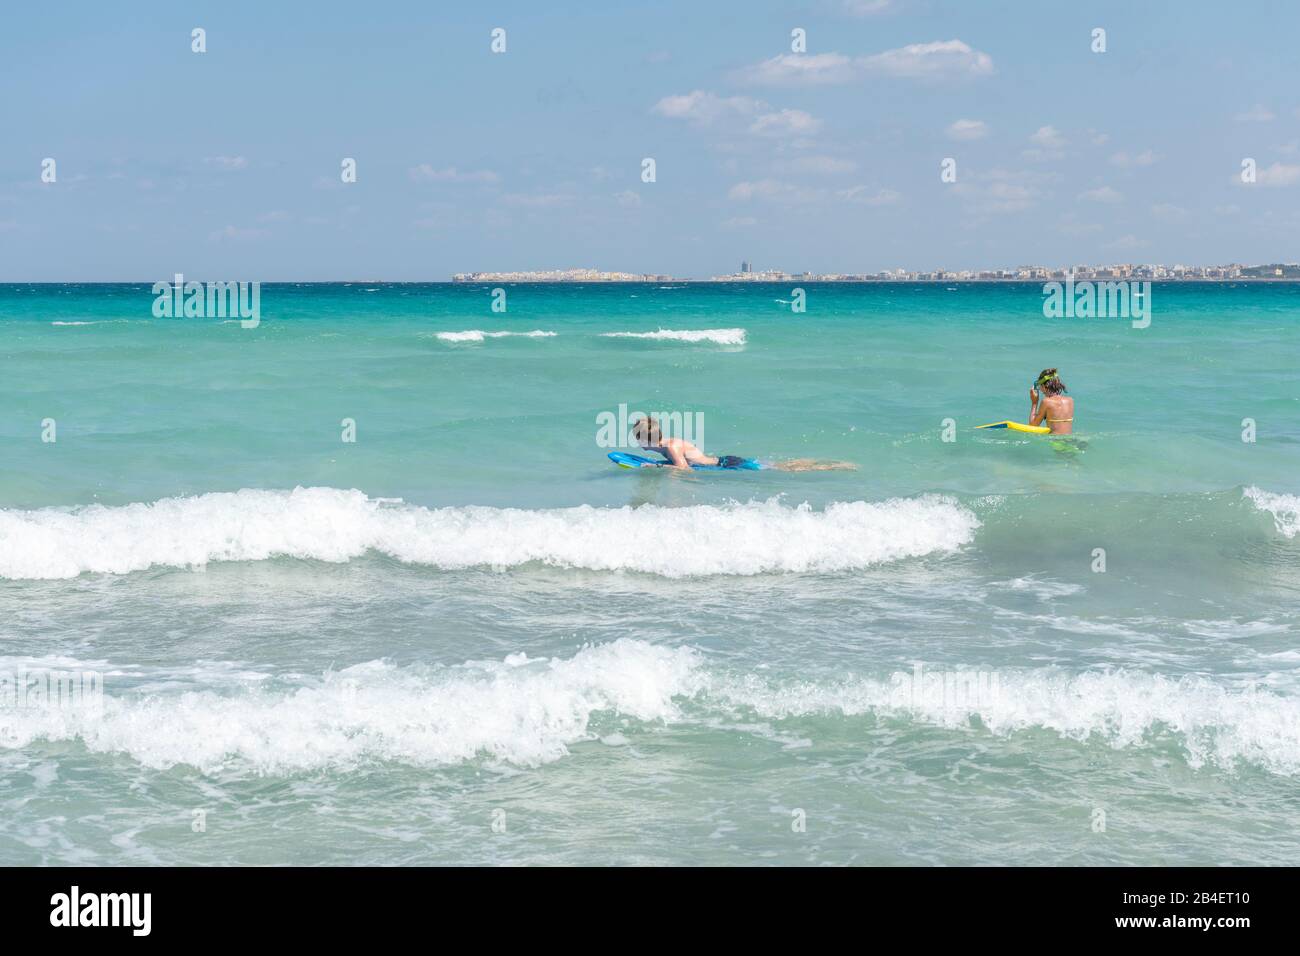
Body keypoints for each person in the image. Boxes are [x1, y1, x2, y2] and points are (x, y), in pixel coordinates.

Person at [631, 417, 854, 471]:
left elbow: (684, 470)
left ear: (645, 439)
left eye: (637, 437)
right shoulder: (663, 445)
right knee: (777, 466)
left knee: (782, 469)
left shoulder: (671, 447)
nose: (635, 440)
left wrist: (655, 467)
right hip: (725, 461)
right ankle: (822, 463)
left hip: (725, 464)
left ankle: (833, 466)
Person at [1029, 368, 1073, 435]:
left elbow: (1032, 426)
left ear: (1044, 386)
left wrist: (1034, 403)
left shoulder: (1046, 402)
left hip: (1057, 442)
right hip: (1072, 439)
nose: (1040, 389)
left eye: (1039, 386)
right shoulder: (1070, 401)